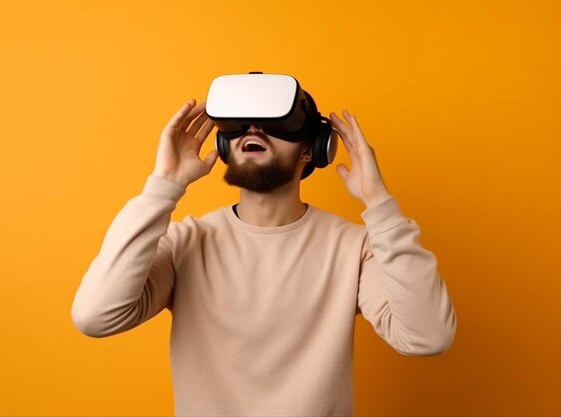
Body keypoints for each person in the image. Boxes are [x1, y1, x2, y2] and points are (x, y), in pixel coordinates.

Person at [71, 97, 457, 416]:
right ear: (224, 146)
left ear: (313, 149)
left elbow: (428, 337)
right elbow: (95, 316)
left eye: (276, 121)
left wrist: (379, 203)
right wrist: (163, 186)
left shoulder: (355, 247)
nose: (253, 130)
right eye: (240, 124)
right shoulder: (185, 242)